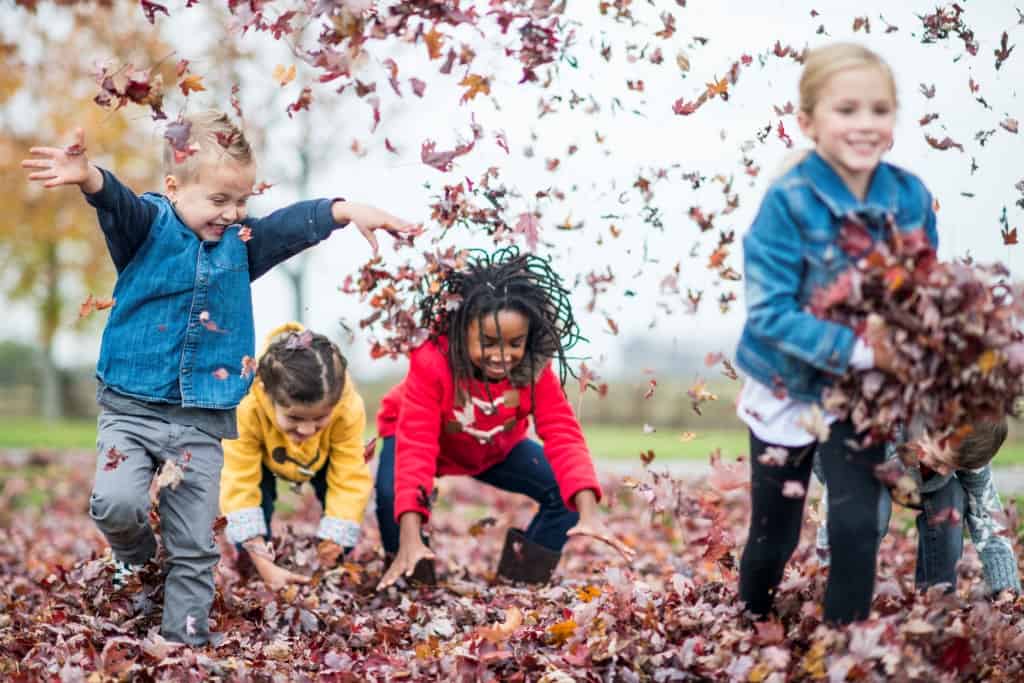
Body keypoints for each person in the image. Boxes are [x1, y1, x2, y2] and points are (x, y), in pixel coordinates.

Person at [21, 110, 413, 645]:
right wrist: (90, 177)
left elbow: (288, 227)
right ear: (174, 186)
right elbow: (116, 203)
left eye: (241, 202)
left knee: (195, 545)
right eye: (219, 201)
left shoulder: (242, 243)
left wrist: (344, 210)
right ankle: (136, 560)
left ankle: (184, 643)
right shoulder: (147, 229)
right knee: (116, 503)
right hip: (132, 408)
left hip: (201, 419)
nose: (232, 214)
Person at [733, 43, 939, 624]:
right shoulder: (788, 203)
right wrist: (861, 347)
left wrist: (922, 345)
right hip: (786, 385)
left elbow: (923, 293)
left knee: (856, 525)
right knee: (776, 532)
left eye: (878, 110)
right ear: (808, 121)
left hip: (859, 394)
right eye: (846, 109)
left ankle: (844, 646)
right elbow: (768, 314)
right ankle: (750, 622)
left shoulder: (910, 197)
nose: (864, 124)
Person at [375, 247, 634, 589]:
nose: (502, 355)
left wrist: (587, 511)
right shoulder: (432, 362)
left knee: (566, 491)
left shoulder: (533, 370)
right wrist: (410, 536)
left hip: (493, 446)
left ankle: (519, 585)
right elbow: (417, 446)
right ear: (461, 332)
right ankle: (411, 578)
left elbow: (563, 434)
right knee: (393, 494)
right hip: (426, 438)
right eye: (489, 342)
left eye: (514, 343)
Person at [220, 322, 372, 590]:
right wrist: (262, 561)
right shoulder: (247, 406)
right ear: (268, 395)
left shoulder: (348, 408)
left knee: (341, 532)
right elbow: (238, 483)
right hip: (265, 457)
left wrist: (333, 541)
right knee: (253, 525)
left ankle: (332, 572)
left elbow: (349, 477)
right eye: (295, 417)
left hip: (324, 459)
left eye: (319, 417)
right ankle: (257, 573)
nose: (306, 429)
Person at [813, 419, 1020, 596]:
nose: (945, 471)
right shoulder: (882, 428)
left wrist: (1006, 590)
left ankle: (938, 597)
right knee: (874, 507)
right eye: (940, 461)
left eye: (954, 467)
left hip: (916, 484)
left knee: (952, 494)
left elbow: (988, 519)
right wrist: (828, 574)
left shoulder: (966, 452)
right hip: (858, 472)